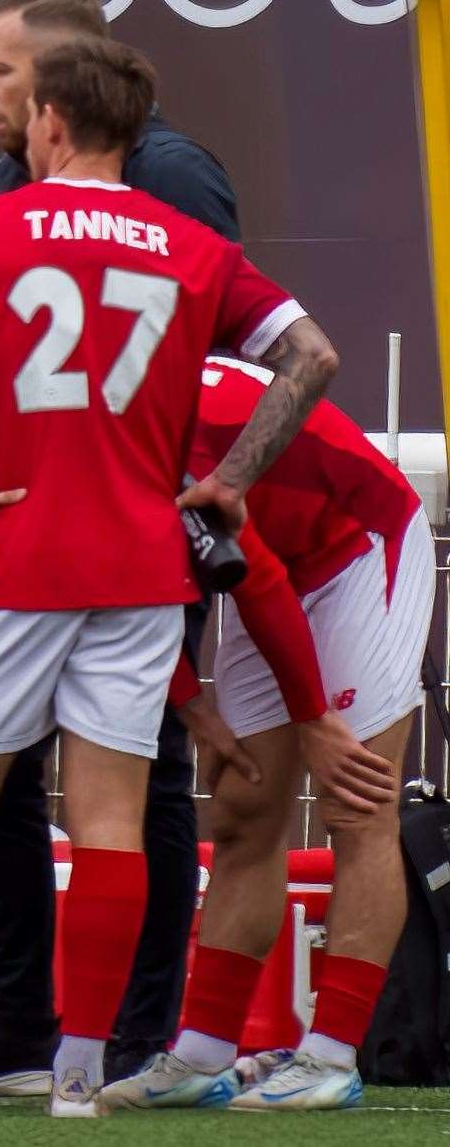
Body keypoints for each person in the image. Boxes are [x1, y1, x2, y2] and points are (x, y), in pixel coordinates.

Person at [0, 35, 339, 1118]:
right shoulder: (189, 243)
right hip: (143, 568)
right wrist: (232, 478)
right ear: (133, 130)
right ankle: (82, 1078)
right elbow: (313, 356)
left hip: (17, 556)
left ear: (49, 118)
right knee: (109, 817)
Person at [103, 356, 413, 1112]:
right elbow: (122, 594)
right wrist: (196, 711)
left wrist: (316, 724)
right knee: (244, 810)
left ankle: (333, 1055)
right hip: (266, 562)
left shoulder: (141, 429)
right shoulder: (82, 437)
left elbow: (259, 577)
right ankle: (204, 1052)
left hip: (360, 543)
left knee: (356, 805)